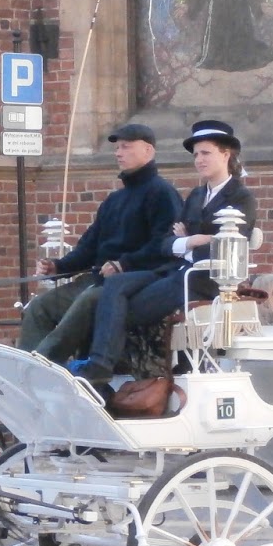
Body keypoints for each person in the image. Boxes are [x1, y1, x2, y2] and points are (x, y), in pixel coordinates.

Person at [73, 119, 257, 385]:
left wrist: (187, 242)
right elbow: (166, 243)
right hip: (175, 270)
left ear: (226, 154)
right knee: (116, 284)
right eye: (196, 155)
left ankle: (115, 367)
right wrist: (192, 241)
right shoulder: (196, 195)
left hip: (203, 280)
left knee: (126, 309)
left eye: (206, 153)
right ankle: (99, 365)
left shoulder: (241, 197)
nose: (199, 160)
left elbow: (226, 247)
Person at [18, 122, 181, 363]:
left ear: (148, 150)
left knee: (87, 302)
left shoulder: (162, 193)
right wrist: (59, 266)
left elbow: (163, 245)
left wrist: (123, 264)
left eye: (126, 147)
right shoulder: (113, 200)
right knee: (40, 307)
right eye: (117, 148)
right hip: (98, 280)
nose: (118, 153)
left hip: (134, 283)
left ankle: (44, 362)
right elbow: (89, 246)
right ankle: (24, 364)